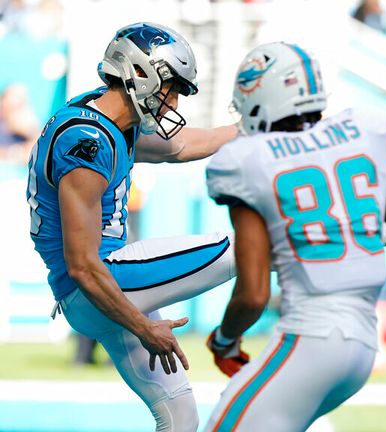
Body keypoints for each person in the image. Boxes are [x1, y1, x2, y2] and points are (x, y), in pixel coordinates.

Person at [203, 42, 386, 431]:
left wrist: (224, 339)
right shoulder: (365, 134)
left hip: (310, 335)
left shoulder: (245, 161)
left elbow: (253, 294)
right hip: (363, 347)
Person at [26, 22, 238, 431]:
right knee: (246, 247)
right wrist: (143, 327)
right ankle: (377, 230)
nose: (173, 99)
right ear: (140, 73)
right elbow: (84, 265)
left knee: (180, 418)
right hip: (101, 282)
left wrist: (252, 128)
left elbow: (178, 147)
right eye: (170, 86)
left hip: (98, 291)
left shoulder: (105, 120)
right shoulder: (85, 141)